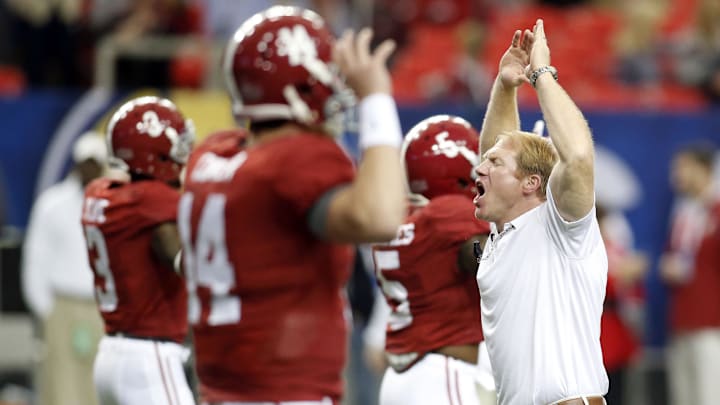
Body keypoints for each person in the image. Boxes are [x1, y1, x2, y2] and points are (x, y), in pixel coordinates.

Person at [178, 5, 406, 404]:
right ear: (300, 85)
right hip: (285, 391)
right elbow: (382, 216)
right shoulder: (293, 160)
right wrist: (377, 100)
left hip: (220, 390)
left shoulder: (212, 158)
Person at [473, 19, 608, 405]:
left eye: (493, 164)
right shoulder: (505, 231)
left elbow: (579, 157)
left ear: (532, 184)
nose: (479, 169)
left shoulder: (560, 226)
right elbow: (497, 148)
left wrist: (542, 74)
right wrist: (504, 86)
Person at [368, 115, 495, 405]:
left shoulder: (397, 216)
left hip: (401, 376)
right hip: (442, 372)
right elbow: (481, 255)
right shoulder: (447, 213)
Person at [81, 96, 196, 405]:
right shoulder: (153, 200)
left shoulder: (99, 194)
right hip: (150, 356)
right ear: (155, 152)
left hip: (110, 353)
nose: (183, 155)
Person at [21, 131, 107, 405]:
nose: (89, 169)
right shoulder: (52, 203)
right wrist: (46, 309)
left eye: (95, 163)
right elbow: (36, 257)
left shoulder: (112, 206)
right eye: (86, 162)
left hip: (101, 308)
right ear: (76, 163)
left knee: (97, 385)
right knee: (60, 386)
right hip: (62, 306)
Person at [659, 142, 720, 405]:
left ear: (704, 169)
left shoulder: (716, 211)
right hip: (682, 320)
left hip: (712, 325)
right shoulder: (682, 213)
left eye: (684, 167)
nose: (677, 175)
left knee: (709, 396)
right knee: (683, 397)